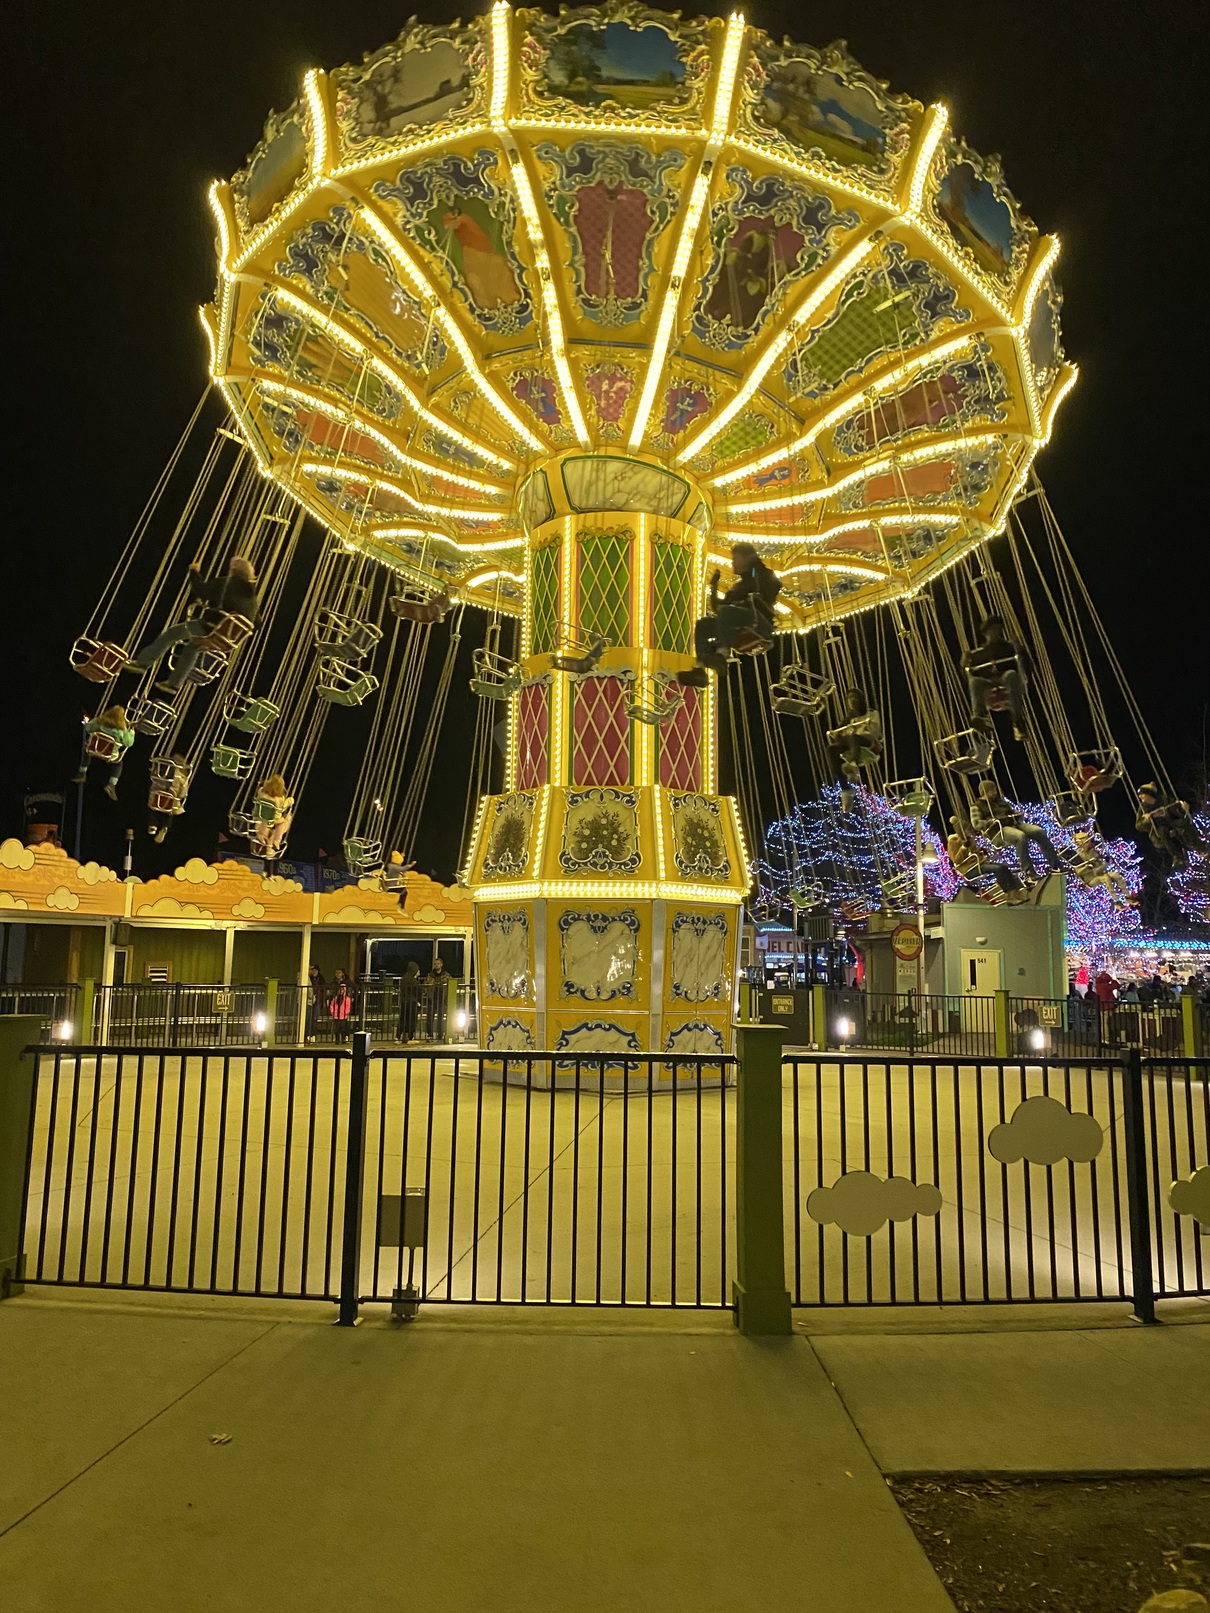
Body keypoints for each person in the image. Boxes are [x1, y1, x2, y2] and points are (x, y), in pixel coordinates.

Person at [128, 556, 261, 692]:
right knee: (192, 648)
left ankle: (142, 663)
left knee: (171, 634)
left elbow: (202, 591)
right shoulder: (253, 600)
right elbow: (257, 624)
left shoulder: (226, 583)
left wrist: (194, 572)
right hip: (226, 639)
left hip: (209, 628)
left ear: (234, 570)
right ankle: (174, 684)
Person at [679, 544, 780, 686]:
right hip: (739, 624)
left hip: (759, 622)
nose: (733, 563)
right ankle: (700, 669)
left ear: (747, 559)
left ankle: (722, 653)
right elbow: (717, 608)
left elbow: (772, 588)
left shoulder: (761, 574)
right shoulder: (738, 586)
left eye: (736, 559)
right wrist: (714, 585)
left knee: (727, 611)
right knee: (704, 623)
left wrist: (755, 568)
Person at [969, 780, 1060, 880]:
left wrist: (1017, 813)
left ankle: (1055, 864)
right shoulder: (976, 806)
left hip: (1014, 824)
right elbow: (976, 824)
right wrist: (991, 822)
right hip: (999, 830)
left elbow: (1011, 811)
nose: (995, 792)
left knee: (1039, 831)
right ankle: (1029, 871)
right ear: (985, 792)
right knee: (1020, 837)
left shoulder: (1000, 801)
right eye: (992, 790)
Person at [961, 616, 1028, 740]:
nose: (995, 633)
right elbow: (968, 676)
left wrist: (1019, 650)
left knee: (1011, 675)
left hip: (1004, 678)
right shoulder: (978, 654)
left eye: (997, 630)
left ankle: (1017, 720)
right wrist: (965, 663)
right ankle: (980, 717)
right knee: (975, 682)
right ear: (986, 633)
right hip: (988, 681)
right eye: (992, 630)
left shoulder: (1009, 647)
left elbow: (1024, 664)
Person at [828, 688, 884, 811]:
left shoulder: (871, 713)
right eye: (849, 698)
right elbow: (841, 733)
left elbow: (874, 730)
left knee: (853, 737)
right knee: (832, 749)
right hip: (852, 742)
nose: (852, 700)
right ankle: (845, 789)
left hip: (868, 741)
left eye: (855, 697)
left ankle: (853, 764)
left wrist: (859, 727)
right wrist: (844, 724)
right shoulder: (851, 718)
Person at [946, 813, 1023, 897]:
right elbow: (956, 860)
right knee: (998, 869)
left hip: (980, 863)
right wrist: (964, 847)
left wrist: (981, 850)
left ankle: (1016, 889)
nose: (969, 832)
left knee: (1004, 866)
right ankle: (1008, 893)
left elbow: (974, 851)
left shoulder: (970, 839)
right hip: (970, 869)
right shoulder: (953, 842)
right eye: (966, 830)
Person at [72, 705, 134, 801]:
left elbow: (88, 728)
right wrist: (132, 733)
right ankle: (112, 784)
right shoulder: (122, 730)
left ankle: (82, 772)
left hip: (95, 749)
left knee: (87, 750)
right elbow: (128, 743)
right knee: (118, 763)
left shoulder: (100, 722)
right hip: (110, 755)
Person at [1135, 783, 1207, 866]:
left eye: (1142, 794)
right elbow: (1138, 825)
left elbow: (1175, 808)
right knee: (1162, 832)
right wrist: (1147, 820)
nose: (1140, 797)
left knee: (1184, 823)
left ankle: (1201, 847)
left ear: (1149, 794)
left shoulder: (1164, 800)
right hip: (1158, 828)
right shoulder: (1143, 809)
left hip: (1171, 822)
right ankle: (1177, 856)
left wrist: (1183, 808)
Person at [147, 753, 191, 844]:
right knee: (170, 812)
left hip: (158, 795)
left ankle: (153, 824)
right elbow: (183, 792)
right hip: (170, 800)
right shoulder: (182, 777)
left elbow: (153, 778)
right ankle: (165, 826)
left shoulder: (162, 770)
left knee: (155, 809)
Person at [249, 774, 294, 861]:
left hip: (259, 815)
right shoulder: (280, 798)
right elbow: (282, 807)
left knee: (264, 821)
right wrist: (290, 801)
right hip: (273, 819)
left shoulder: (261, 791)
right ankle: (276, 841)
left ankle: (262, 836)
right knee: (281, 822)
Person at [397, 959, 422, 1043]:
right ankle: (410, 1037)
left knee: (403, 1019)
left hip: (404, 1001)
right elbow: (418, 991)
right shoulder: (414, 981)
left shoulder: (404, 978)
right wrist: (419, 1001)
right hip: (412, 1002)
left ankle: (398, 1036)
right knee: (412, 1020)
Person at [328, 968, 353, 1039]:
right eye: (336, 973)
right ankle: (337, 1038)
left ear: (343, 974)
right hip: (336, 1011)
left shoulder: (347, 982)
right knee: (337, 1026)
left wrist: (347, 1011)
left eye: (339, 973)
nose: (337, 974)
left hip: (344, 1011)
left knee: (343, 1025)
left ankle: (344, 1037)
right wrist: (332, 1011)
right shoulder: (334, 982)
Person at [305, 964, 326, 1041]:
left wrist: (323, 1000)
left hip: (318, 1000)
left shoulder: (321, 979)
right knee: (309, 1018)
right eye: (312, 970)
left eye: (315, 970)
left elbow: (324, 990)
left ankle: (313, 1035)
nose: (314, 972)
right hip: (310, 1000)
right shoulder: (309, 979)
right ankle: (308, 1035)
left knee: (314, 1018)